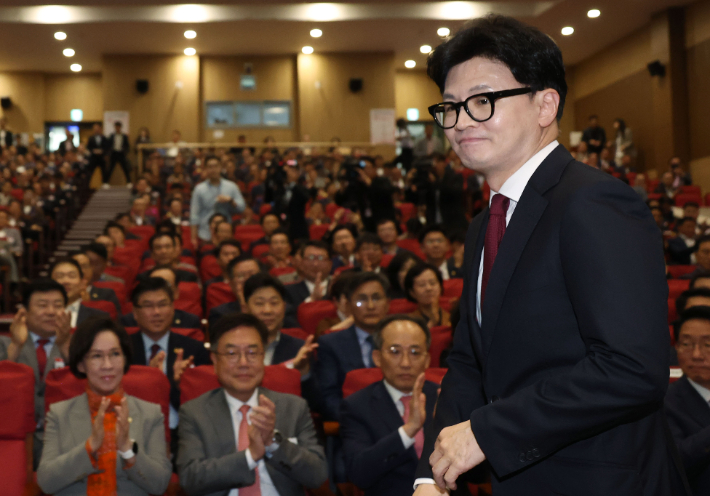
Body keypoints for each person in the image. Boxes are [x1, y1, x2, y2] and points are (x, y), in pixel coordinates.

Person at [414, 15, 682, 495]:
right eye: (450, 107)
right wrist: (432, 473)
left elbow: (632, 369)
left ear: (545, 104)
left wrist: (486, 432)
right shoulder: (484, 224)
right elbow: (469, 363)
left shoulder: (593, 201)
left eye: (482, 101)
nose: (459, 122)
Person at [176, 312, 328, 496]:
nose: (243, 363)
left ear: (263, 357)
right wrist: (249, 456)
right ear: (215, 361)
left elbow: (317, 475)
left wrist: (273, 443)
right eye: (232, 353)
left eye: (252, 353)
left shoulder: (293, 407)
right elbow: (190, 479)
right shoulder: (194, 412)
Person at [36, 317, 172, 496]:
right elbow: (46, 482)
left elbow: (160, 484)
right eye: (97, 356)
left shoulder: (150, 413)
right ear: (81, 365)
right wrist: (90, 446)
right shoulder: (59, 414)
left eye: (115, 354)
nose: (108, 365)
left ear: (124, 359)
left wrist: (127, 449)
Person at [340, 315, 438, 496]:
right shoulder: (356, 406)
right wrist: (409, 430)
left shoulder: (445, 397)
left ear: (427, 359)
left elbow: (478, 474)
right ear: (377, 357)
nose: (406, 363)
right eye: (395, 351)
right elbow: (359, 474)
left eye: (415, 352)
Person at [127, 277, 211, 446]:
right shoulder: (122, 351)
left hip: (184, 436)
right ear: (135, 313)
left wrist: (179, 385)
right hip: (134, 434)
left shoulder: (194, 350)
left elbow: (206, 405)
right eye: (148, 306)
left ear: (173, 308)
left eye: (163, 304)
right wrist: (148, 382)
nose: (156, 312)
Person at [0, 280, 73, 466]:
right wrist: (15, 346)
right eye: (42, 305)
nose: (51, 311)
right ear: (24, 311)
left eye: (58, 305)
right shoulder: (5, 343)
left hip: (65, 437)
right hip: (16, 437)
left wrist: (66, 347)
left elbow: (85, 385)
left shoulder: (79, 344)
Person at [314, 272, 391, 421]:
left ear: (388, 303)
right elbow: (328, 398)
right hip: (351, 424)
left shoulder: (403, 340)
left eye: (376, 298)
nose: (370, 306)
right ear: (348, 306)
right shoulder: (330, 344)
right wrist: (357, 422)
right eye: (361, 300)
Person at [665, 306, 710, 495]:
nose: (697, 355)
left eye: (708, 344)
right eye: (686, 344)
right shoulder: (664, 402)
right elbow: (674, 461)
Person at [243, 273, 315, 372]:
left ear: (284, 307)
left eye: (274, 303)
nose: (267, 310)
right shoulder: (231, 348)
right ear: (245, 309)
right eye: (259, 303)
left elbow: (311, 387)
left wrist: (302, 369)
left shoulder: (299, 349)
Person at [190, 155, 246, 247]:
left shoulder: (231, 186)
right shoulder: (199, 189)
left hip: (226, 234)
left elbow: (242, 208)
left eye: (216, 166)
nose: (213, 169)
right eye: (210, 167)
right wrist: (193, 238)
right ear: (205, 169)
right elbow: (194, 215)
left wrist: (230, 201)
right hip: (205, 234)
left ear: (221, 168)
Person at [121, 266, 201, 329]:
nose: (159, 290)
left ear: (176, 292)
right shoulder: (129, 322)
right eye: (154, 284)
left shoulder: (189, 321)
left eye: (166, 285)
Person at [50, 259, 110, 326]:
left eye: (72, 276)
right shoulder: (40, 314)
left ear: (82, 282)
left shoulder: (98, 317)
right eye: (59, 276)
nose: (66, 281)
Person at [207, 255, 262, 328]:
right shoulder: (220, 314)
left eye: (252, 275)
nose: (248, 280)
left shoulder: (277, 308)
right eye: (241, 276)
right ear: (231, 284)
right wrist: (243, 305)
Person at [424, 153, 467, 232]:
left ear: (443, 163)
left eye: (436, 162)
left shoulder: (455, 177)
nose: (435, 166)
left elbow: (453, 193)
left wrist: (436, 183)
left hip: (452, 221)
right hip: (435, 220)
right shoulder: (431, 180)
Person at [71, 251, 122, 317]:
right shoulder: (60, 295)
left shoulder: (107, 294)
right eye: (77, 266)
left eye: (85, 266)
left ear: (91, 268)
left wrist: (88, 303)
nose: (82, 271)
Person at [285, 240, 332, 307]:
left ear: (330, 264)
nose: (315, 264)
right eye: (311, 258)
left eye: (321, 258)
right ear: (301, 263)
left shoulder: (339, 287)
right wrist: (311, 299)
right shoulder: (289, 291)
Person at [405, 263, 451, 328]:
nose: (428, 288)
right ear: (412, 292)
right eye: (422, 285)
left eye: (432, 283)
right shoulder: (407, 322)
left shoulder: (452, 317)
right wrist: (432, 322)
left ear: (441, 287)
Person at [104, 121, 131, 189]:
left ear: (120, 127)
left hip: (121, 153)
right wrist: (108, 153)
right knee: (110, 168)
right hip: (114, 153)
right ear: (115, 127)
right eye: (116, 127)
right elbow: (108, 145)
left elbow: (127, 145)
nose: (117, 128)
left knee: (125, 168)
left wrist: (125, 152)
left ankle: (129, 182)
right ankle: (106, 182)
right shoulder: (112, 136)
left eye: (118, 127)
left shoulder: (124, 136)